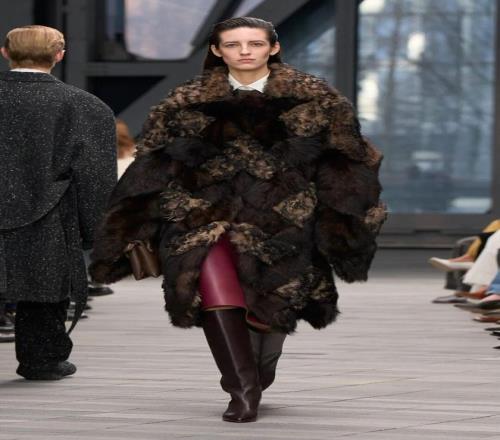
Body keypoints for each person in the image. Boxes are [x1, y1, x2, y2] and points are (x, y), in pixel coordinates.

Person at [90, 17, 385, 422]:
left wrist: (343, 225)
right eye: (233, 44)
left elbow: (348, 165)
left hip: (284, 223)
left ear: (273, 48)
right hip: (202, 218)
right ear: (217, 51)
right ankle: (242, 391)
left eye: (254, 43)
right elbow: (150, 168)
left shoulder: (317, 101)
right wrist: (128, 227)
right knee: (216, 294)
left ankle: (257, 374)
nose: (244, 51)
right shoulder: (183, 102)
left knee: (271, 313)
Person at [0, 25, 116, 379]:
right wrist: (97, 233)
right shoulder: (86, 106)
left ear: (5, 53)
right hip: (49, 213)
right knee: (44, 288)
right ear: (59, 55)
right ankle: (42, 359)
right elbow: (95, 178)